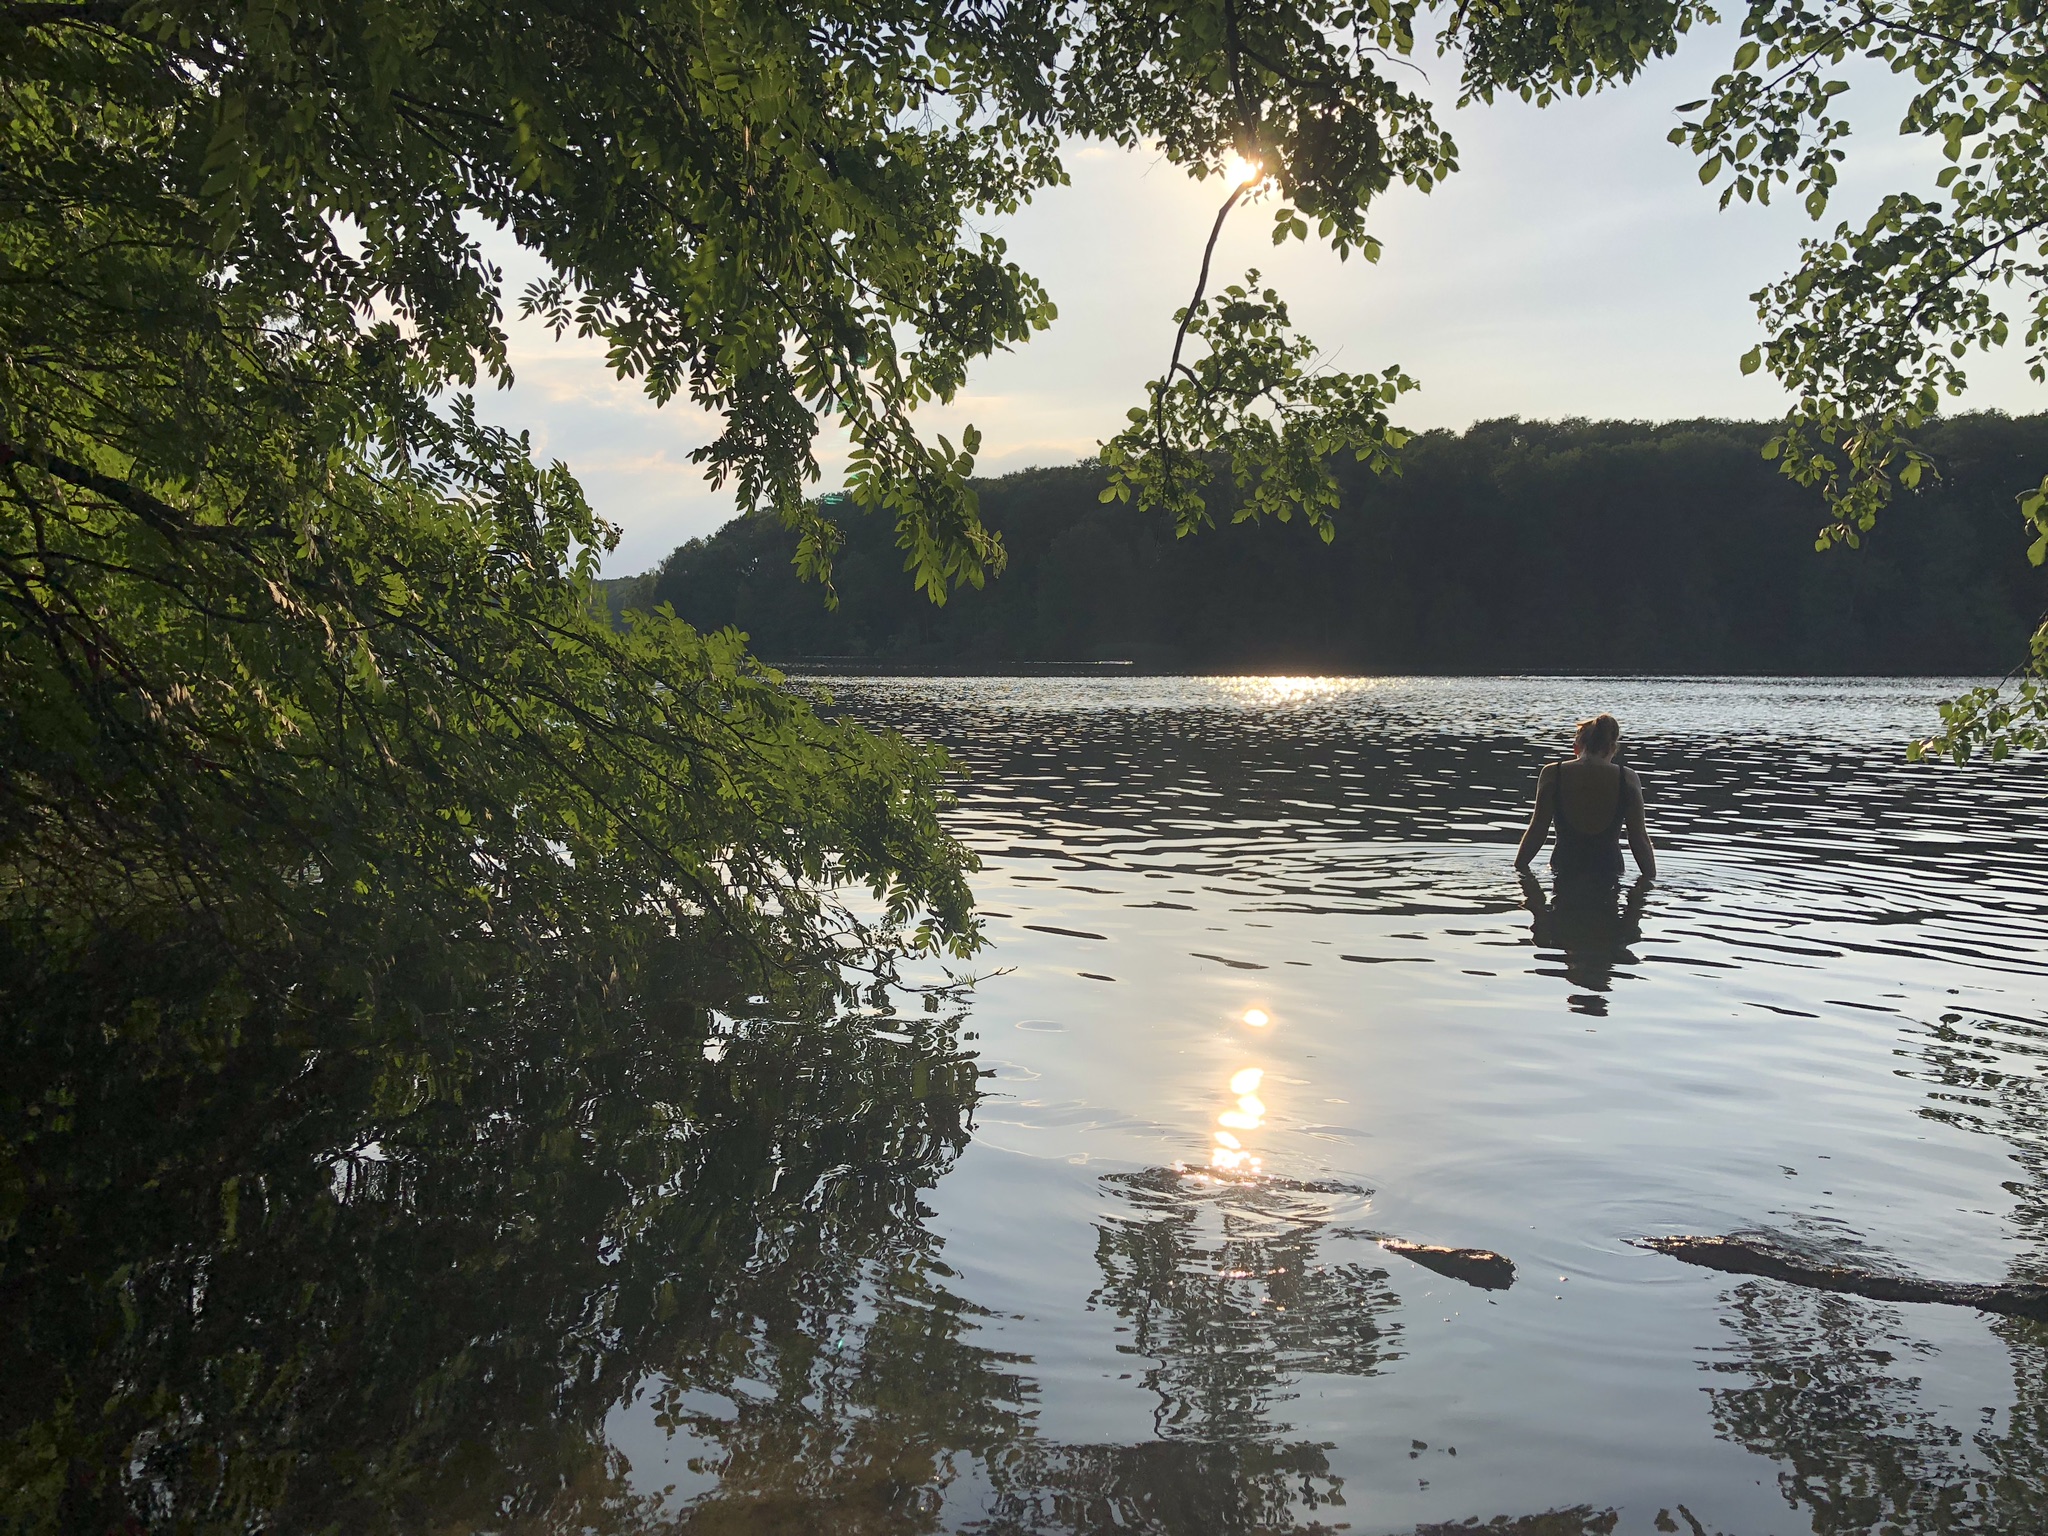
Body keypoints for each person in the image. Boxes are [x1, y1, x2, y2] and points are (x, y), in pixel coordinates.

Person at [1513, 713, 1656, 882]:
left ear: (1577, 748)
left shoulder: (1553, 773)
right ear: (1612, 748)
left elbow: (1538, 829)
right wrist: (1650, 880)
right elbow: (1638, 838)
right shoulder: (1627, 778)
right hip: (1609, 868)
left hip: (1565, 864)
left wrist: (1519, 870)